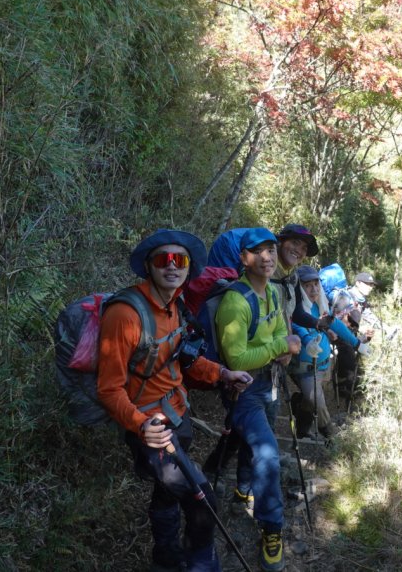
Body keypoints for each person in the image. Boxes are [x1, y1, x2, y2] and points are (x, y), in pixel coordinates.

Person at [98, 228, 251, 572]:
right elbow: (108, 389)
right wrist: (141, 426)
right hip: (151, 428)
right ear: (149, 266)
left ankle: (165, 555)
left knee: (169, 493)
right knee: (202, 499)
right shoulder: (126, 314)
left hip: (178, 415)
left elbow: (183, 358)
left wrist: (223, 374)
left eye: (179, 259)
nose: (172, 266)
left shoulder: (176, 305)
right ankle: (201, 561)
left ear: (188, 266)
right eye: (163, 259)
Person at [215, 228, 302, 572]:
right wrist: (281, 348)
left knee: (254, 440)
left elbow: (281, 330)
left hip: (270, 380)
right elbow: (235, 360)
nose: (267, 257)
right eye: (257, 251)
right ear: (243, 258)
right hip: (243, 388)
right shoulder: (235, 302)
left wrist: (282, 350)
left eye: (270, 250)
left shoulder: (273, 294)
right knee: (267, 451)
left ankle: (243, 490)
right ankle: (272, 527)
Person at [289, 265, 358, 439]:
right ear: (299, 288)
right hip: (304, 368)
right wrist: (308, 341)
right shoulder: (295, 309)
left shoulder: (320, 306)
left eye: (316, 284)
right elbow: (297, 326)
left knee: (310, 399)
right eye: (307, 285)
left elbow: (334, 324)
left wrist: (357, 343)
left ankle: (302, 428)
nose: (313, 289)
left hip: (323, 366)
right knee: (317, 401)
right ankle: (329, 435)